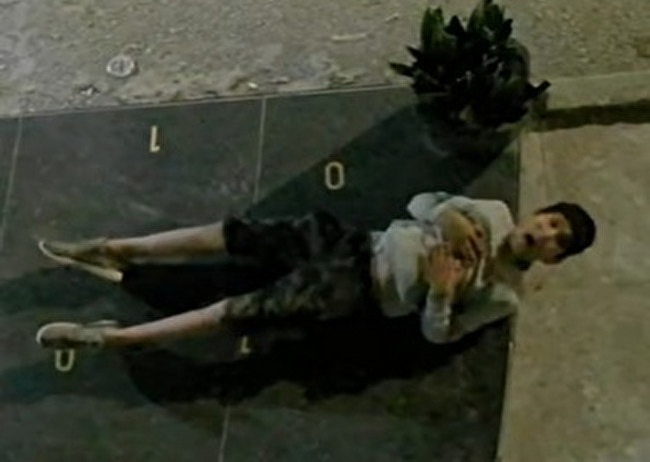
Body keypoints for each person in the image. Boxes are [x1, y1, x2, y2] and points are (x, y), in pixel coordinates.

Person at [34, 192, 596, 351]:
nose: (546, 234)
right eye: (550, 222)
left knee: (239, 311)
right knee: (235, 234)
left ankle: (116, 339)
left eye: (558, 242)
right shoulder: (493, 212)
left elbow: (438, 335)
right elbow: (420, 202)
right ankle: (113, 248)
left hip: (357, 288)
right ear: (537, 213)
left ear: (553, 260)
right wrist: (446, 214)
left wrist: (441, 295)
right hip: (353, 242)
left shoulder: (503, 296)